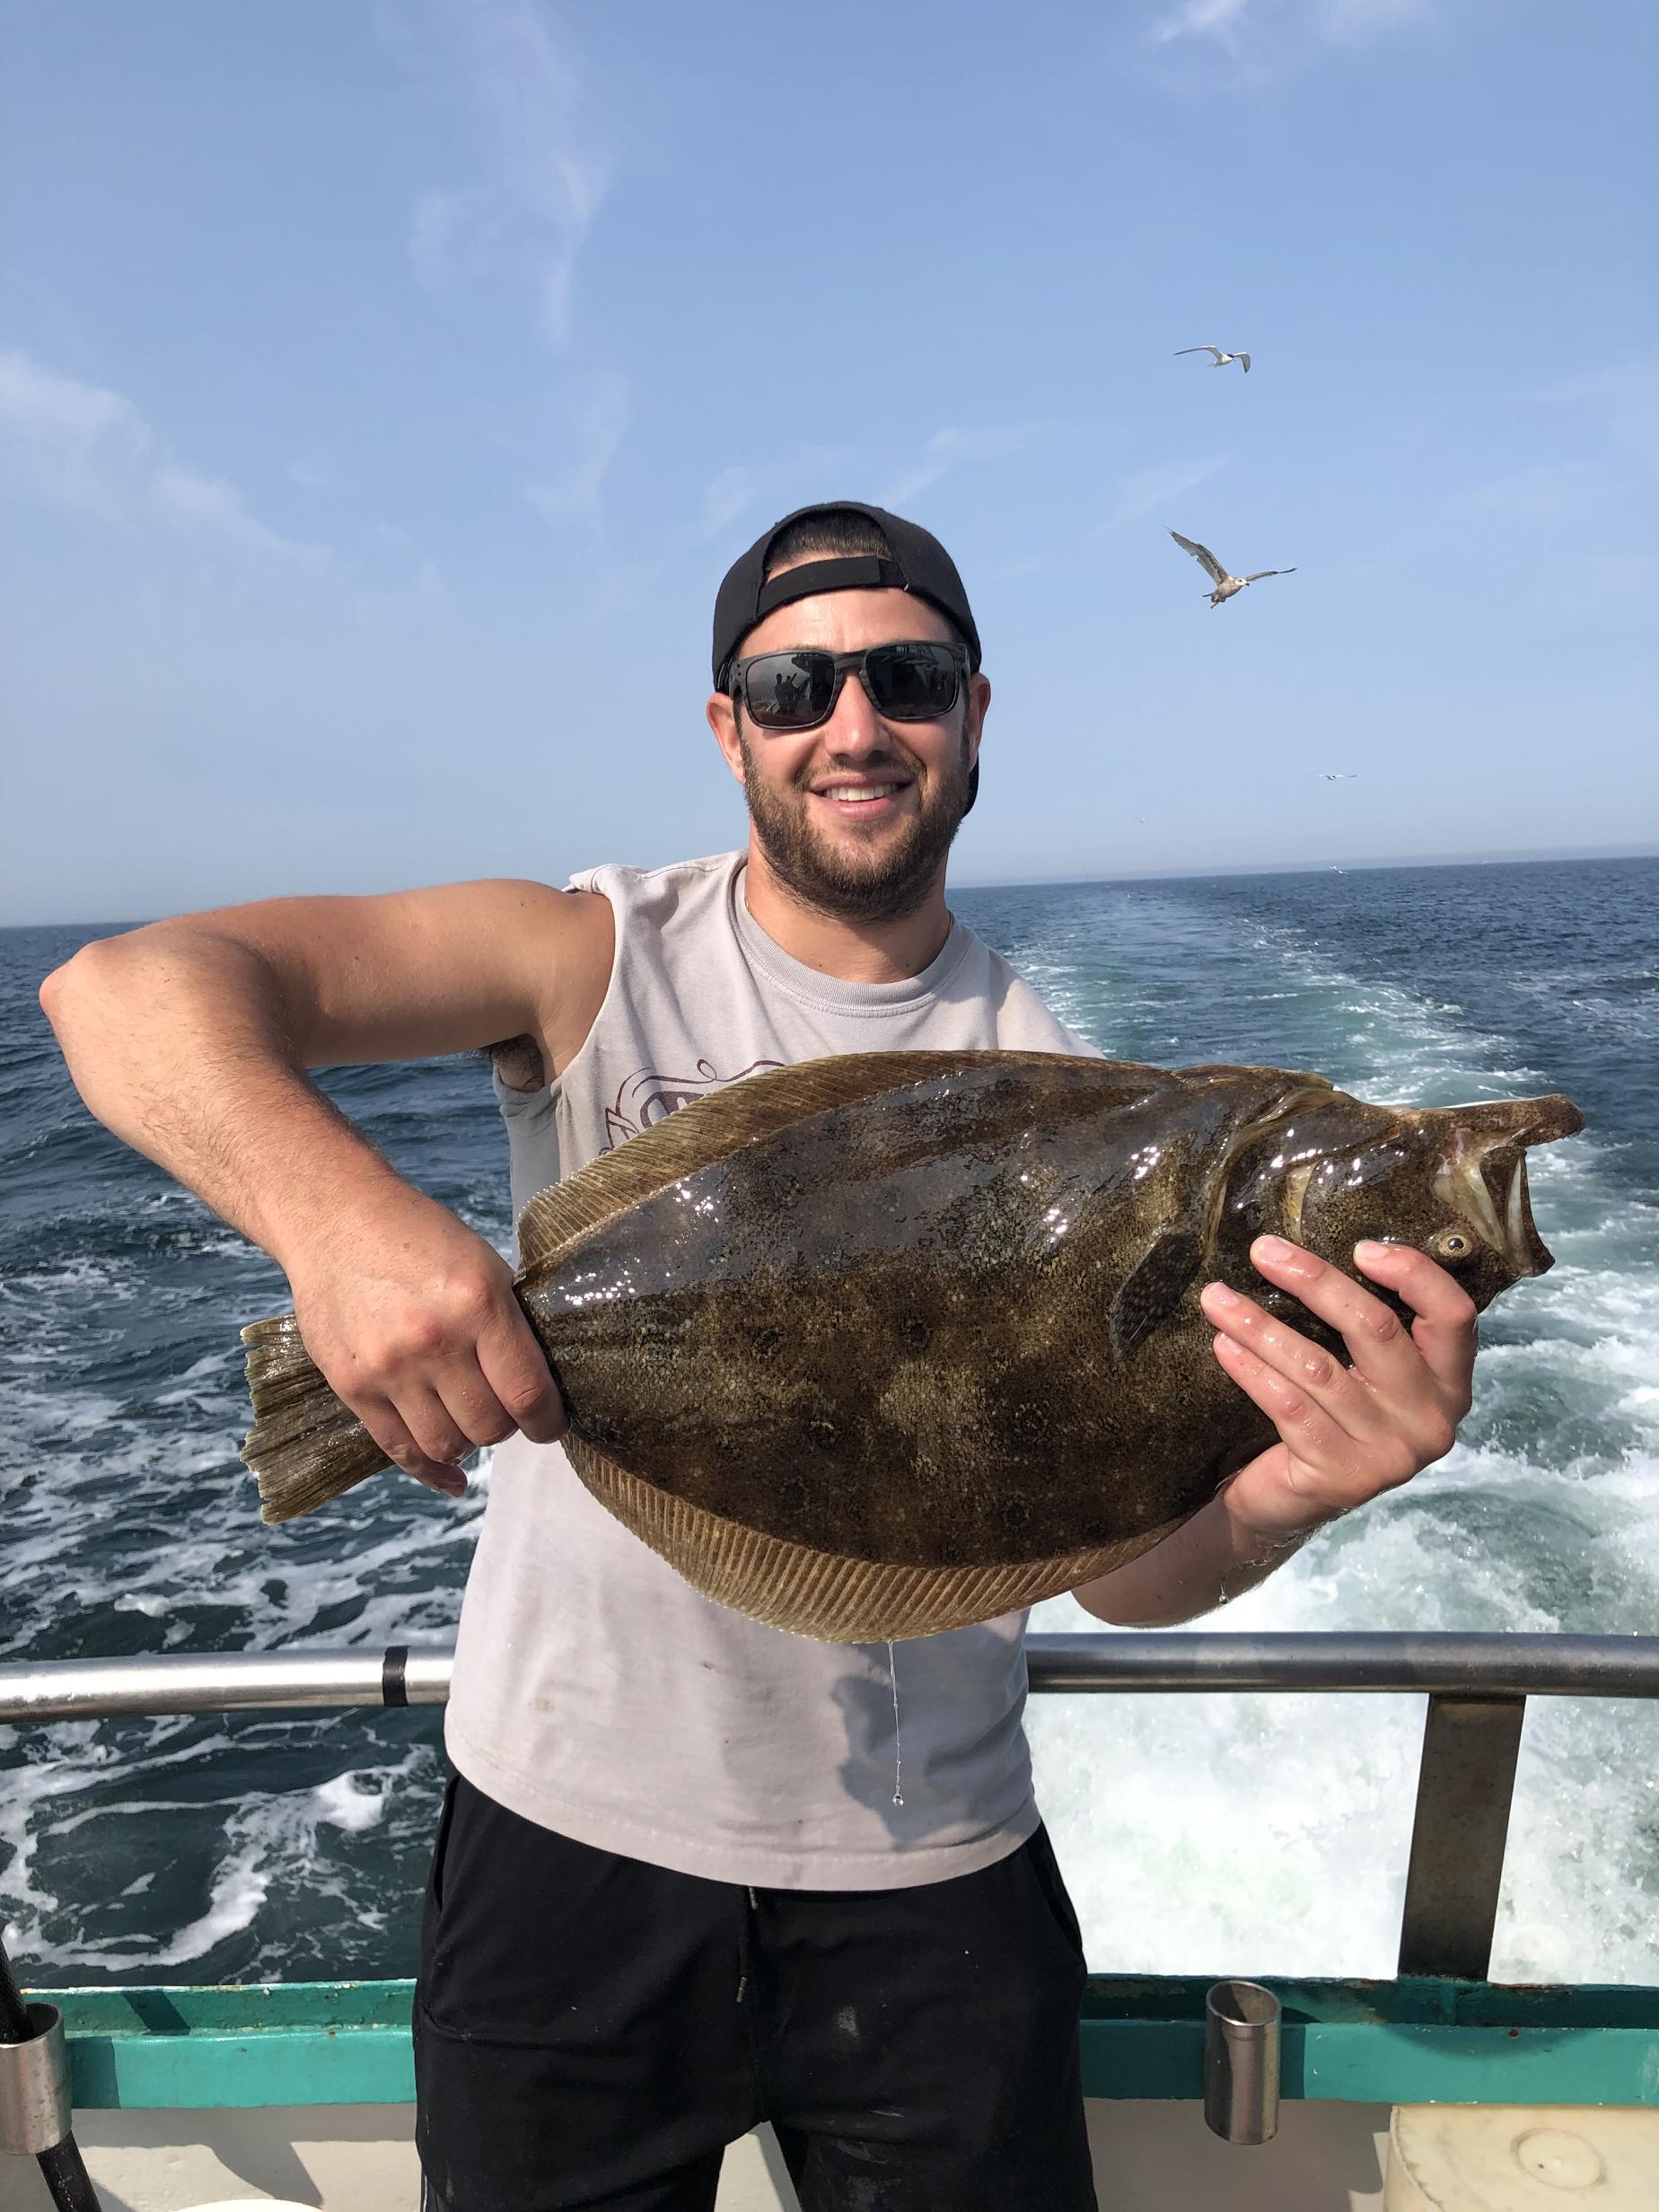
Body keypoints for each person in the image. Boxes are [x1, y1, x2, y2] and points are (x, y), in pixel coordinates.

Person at [40, 502, 1478, 2212]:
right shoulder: (589, 957)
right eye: (797, 689)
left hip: (934, 1876)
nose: (853, 727)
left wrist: (1291, 1494)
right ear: (731, 729)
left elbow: (1121, 1575)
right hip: (566, 1845)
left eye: (907, 679)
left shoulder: (1073, 1093)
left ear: (973, 714)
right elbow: (124, 992)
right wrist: (342, 1224)